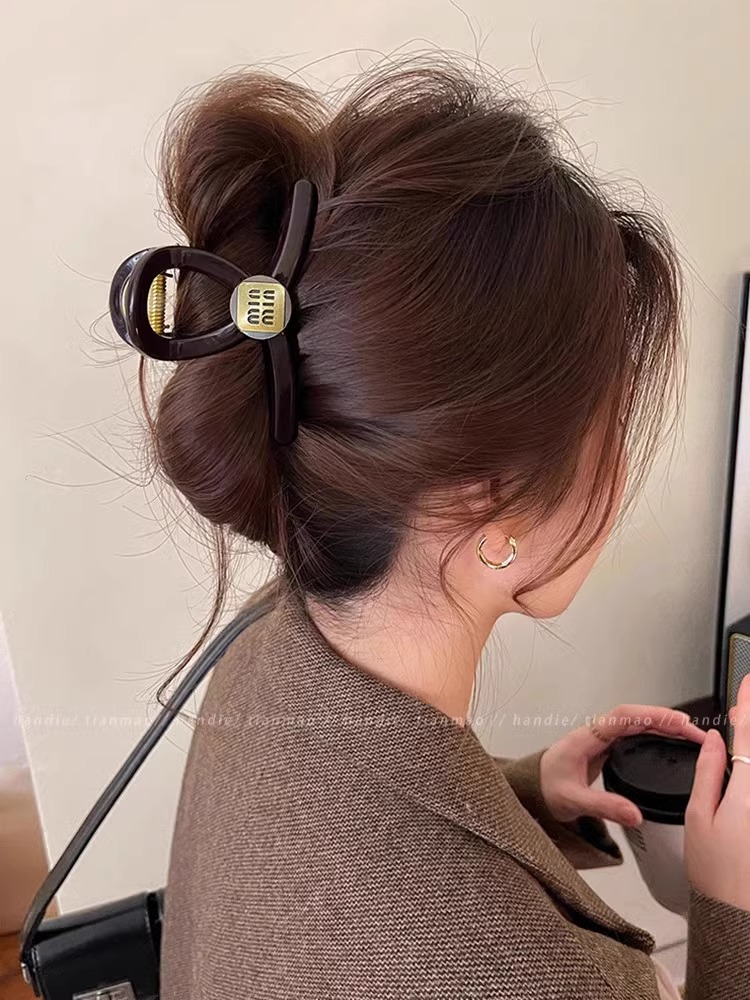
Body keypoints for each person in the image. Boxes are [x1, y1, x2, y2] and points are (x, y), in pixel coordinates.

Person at [133, 61, 750, 999]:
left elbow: (353, 830)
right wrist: (732, 908)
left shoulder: (270, 635)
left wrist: (529, 790)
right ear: (484, 507)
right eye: (612, 423)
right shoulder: (533, 980)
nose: (622, 471)